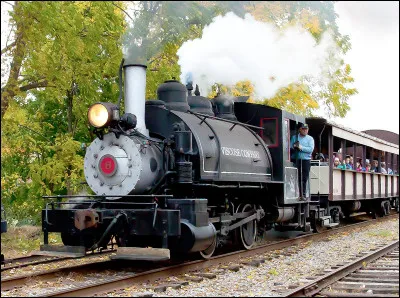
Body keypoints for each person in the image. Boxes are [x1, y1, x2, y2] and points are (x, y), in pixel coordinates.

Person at [290, 123, 315, 201]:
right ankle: (295, 193)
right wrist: (294, 147)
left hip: (305, 161)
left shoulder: (310, 139)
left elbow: (310, 149)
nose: (305, 130)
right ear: (299, 129)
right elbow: (290, 147)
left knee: (304, 178)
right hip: (295, 159)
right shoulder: (294, 137)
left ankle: (303, 194)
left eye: (306, 129)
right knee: (295, 177)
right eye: (303, 129)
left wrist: (301, 147)